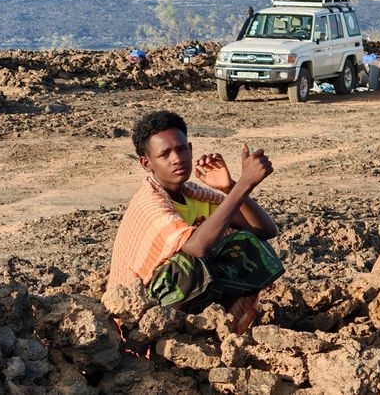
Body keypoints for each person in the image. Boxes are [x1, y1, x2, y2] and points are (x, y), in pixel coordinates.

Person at [107, 111, 282, 332]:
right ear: (146, 163)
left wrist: (230, 187)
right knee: (188, 265)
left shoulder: (194, 195)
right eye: (165, 154)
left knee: (246, 244)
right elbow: (197, 247)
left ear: (190, 150)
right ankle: (168, 339)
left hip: (181, 303)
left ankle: (217, 328)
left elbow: (265, 230)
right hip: (137, 322)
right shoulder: (149, 203)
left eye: (181, 149)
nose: (177, 159)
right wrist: (244, 185)